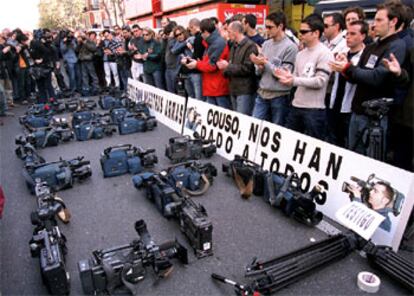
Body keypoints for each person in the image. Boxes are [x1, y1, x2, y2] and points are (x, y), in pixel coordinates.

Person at [329, 3, 406, 156]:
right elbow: (358, 77)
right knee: (352, 156)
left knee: (371, 162)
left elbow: (376, 77)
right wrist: (344, 68)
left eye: (378, 20)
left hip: (375, 118)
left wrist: (348, 68)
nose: (373, 24)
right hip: (357, 112)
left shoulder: (396, 46)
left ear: (393, 21)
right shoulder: (371, 47)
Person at [275, 14, 333, 139]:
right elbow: (295, 77)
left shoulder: (325, 53)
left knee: (314, 146)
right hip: (296, 105)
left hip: (314, 109)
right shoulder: (300, 54)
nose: (300, 34)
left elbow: (320, 81)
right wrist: (287, 76)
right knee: (290, 141)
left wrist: (294, 80)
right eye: (300, 31)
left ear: (316, 33)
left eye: (304, 31)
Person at [250, 12, 298, 125]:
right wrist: (258, 65)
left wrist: (265, 63)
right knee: (254, 125)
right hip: (262, 92)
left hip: (279, 95)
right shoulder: (266, 44)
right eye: (266, 27)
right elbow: (260, 71)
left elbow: (284, 74)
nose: (267, 30)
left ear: (280, 26)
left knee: (277, 128)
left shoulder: (290, 47)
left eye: (270, 27)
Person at [327, 21, 367, 147]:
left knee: (350, 144)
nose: (348, 37)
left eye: (353, 34)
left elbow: (359, 79)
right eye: (347, 34)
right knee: (333, 141)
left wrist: (345, 68)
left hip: (350, 108)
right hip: (335, 103)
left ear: (363, 36)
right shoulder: (342, 54)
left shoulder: (364, 56)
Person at [184, 18, 230, 109]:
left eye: (201, 32)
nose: (200, 35)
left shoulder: (217, 43)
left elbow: (212, 66)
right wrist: (197, 62)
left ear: (206, 32)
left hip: (218, 87)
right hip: (212, 86)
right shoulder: (212, 43)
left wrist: (197, 64)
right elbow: (208, 62)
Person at [217, 21, 258, 115]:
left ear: (236, 32)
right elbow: (231, 64)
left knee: (243, 119)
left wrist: (227, 66)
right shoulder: (234, 46)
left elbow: (248, 69)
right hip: (233, 88)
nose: (228, 34)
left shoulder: (250, 46)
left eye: (229, 32)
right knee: (236, 117)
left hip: (244, 90)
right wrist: (224, 69)